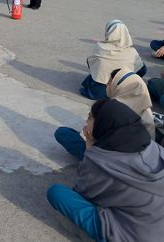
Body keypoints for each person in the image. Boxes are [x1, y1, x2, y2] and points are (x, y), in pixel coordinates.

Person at [47, 99, 164, 242]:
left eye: (90, 118)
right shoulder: (152, 146)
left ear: (102, 124)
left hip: (133, 235)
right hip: (153, 219)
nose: (86, 122)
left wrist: (90, 148)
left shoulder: (99, 162)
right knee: (64, 134)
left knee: (57, 193)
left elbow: (81, 191)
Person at [56, 67, 155, 161]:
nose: (107, 85)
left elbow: (95, 136)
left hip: (111, 161)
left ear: (120, 86)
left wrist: (89, 141)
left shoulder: (112, 108)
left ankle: (91, 161)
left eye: (110, 82)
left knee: (63, 133)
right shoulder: (146, 108)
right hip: (142, 160)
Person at [81, 19, 146, 100]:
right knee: (141, 67)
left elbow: (90, 63)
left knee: (93, 73)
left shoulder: (100, 48)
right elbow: (142, 70)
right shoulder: (132, 52)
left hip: (101, 92)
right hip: (125, 90)